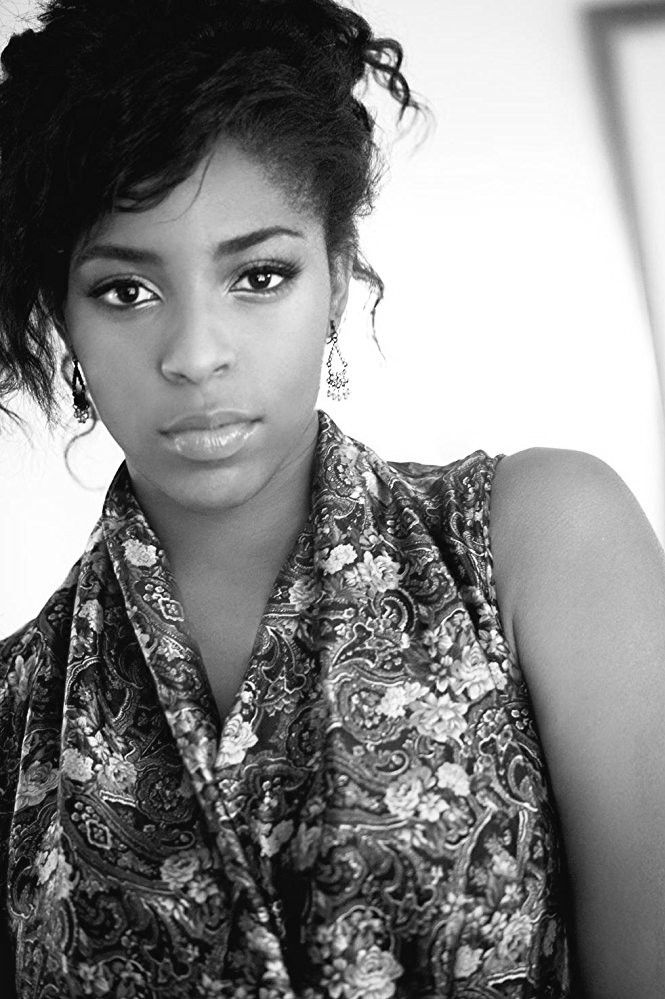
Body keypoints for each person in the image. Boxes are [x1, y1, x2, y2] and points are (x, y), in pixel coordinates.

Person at [0, 0, 664, 996]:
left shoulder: (539, 542)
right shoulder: (15, 712)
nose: (195, 355)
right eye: (126, 291)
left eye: (259, 275)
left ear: (338, 282)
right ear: (66, 322)